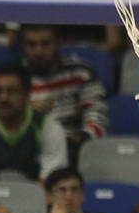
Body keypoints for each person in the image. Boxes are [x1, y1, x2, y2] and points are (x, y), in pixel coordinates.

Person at [0, 62, 67, 183]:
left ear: (27, 95)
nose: (4, 98)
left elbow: (50, 183)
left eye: (12, 91)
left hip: (35, 200)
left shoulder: (48, 128)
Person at [19, 24, 107, 153]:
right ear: (24, 46)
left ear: (58, 43)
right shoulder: (16, 76)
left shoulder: (80, 72)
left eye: (45, 44)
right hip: (28, 149)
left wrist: (81, 137)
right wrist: (22, 109)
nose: (38, 51)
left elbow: (98, 116)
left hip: (73, 147)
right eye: (32, 44)